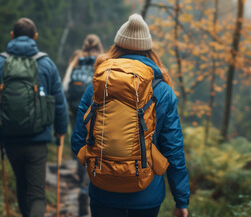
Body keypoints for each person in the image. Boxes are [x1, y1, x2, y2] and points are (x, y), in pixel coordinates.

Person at [71, 14, 189, 217]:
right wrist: (181, 200)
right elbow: (174, 150)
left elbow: (77, 142)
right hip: (146, 193)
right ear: (148, 49)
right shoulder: (162, 90)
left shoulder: (98, 85)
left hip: (102, 188)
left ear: (117, 46)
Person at [0, 17, 68, 217]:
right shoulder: (46, 64)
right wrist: (60, 130)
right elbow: (59, 101)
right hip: (37, 141)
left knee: (22, 185)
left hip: (10, 139)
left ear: (12, 35)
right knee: (37, 194)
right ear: (35, 37)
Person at [62, 34, 104, 216]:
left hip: (75, 108)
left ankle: (80, 179)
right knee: (93, 143)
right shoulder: (103, 60)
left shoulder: (76, 58)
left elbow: (64, 86)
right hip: (95, 110)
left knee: (79, 142)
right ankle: (89, 183)